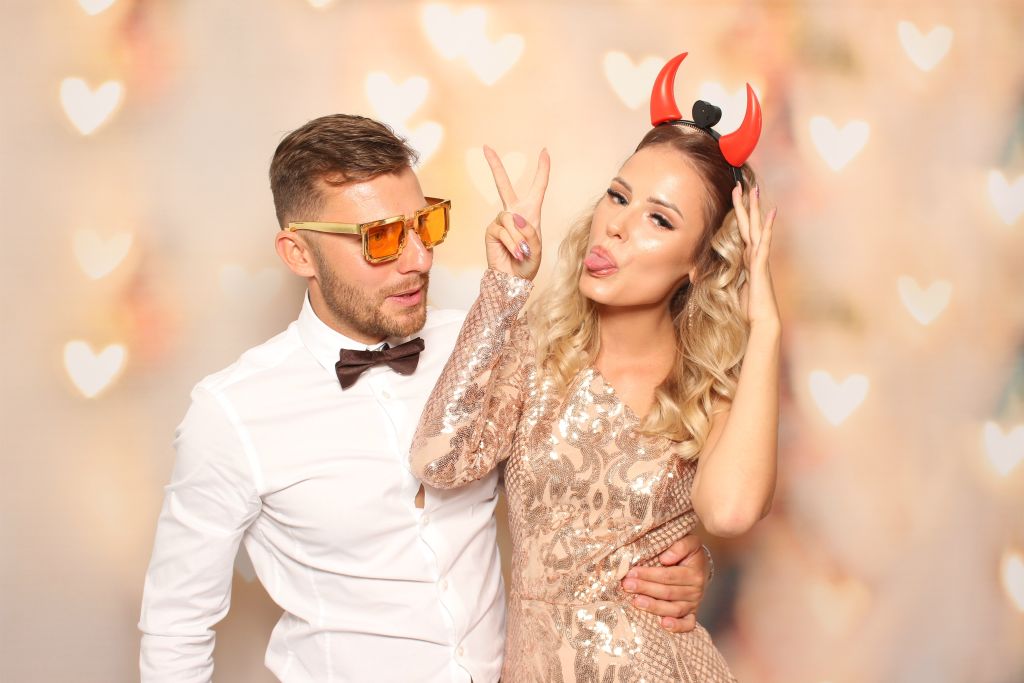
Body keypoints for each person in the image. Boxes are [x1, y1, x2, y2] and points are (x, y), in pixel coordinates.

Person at [138, 112, 713, 683]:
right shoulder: (232, 413)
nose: (419, 258)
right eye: (381, 238)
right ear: (299, 254)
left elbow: (596, 485)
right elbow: (175, 628)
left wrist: (680, 558)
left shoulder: (489, 344)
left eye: (424, 224)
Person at [411, 52, 779, 681]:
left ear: (699, 263)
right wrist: (504, 288)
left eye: (659, 219)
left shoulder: (709, 387)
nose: (617, 227)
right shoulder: (537, 353)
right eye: (618, 196)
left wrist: (766, 327)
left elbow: (730, 513)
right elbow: (439, 461)